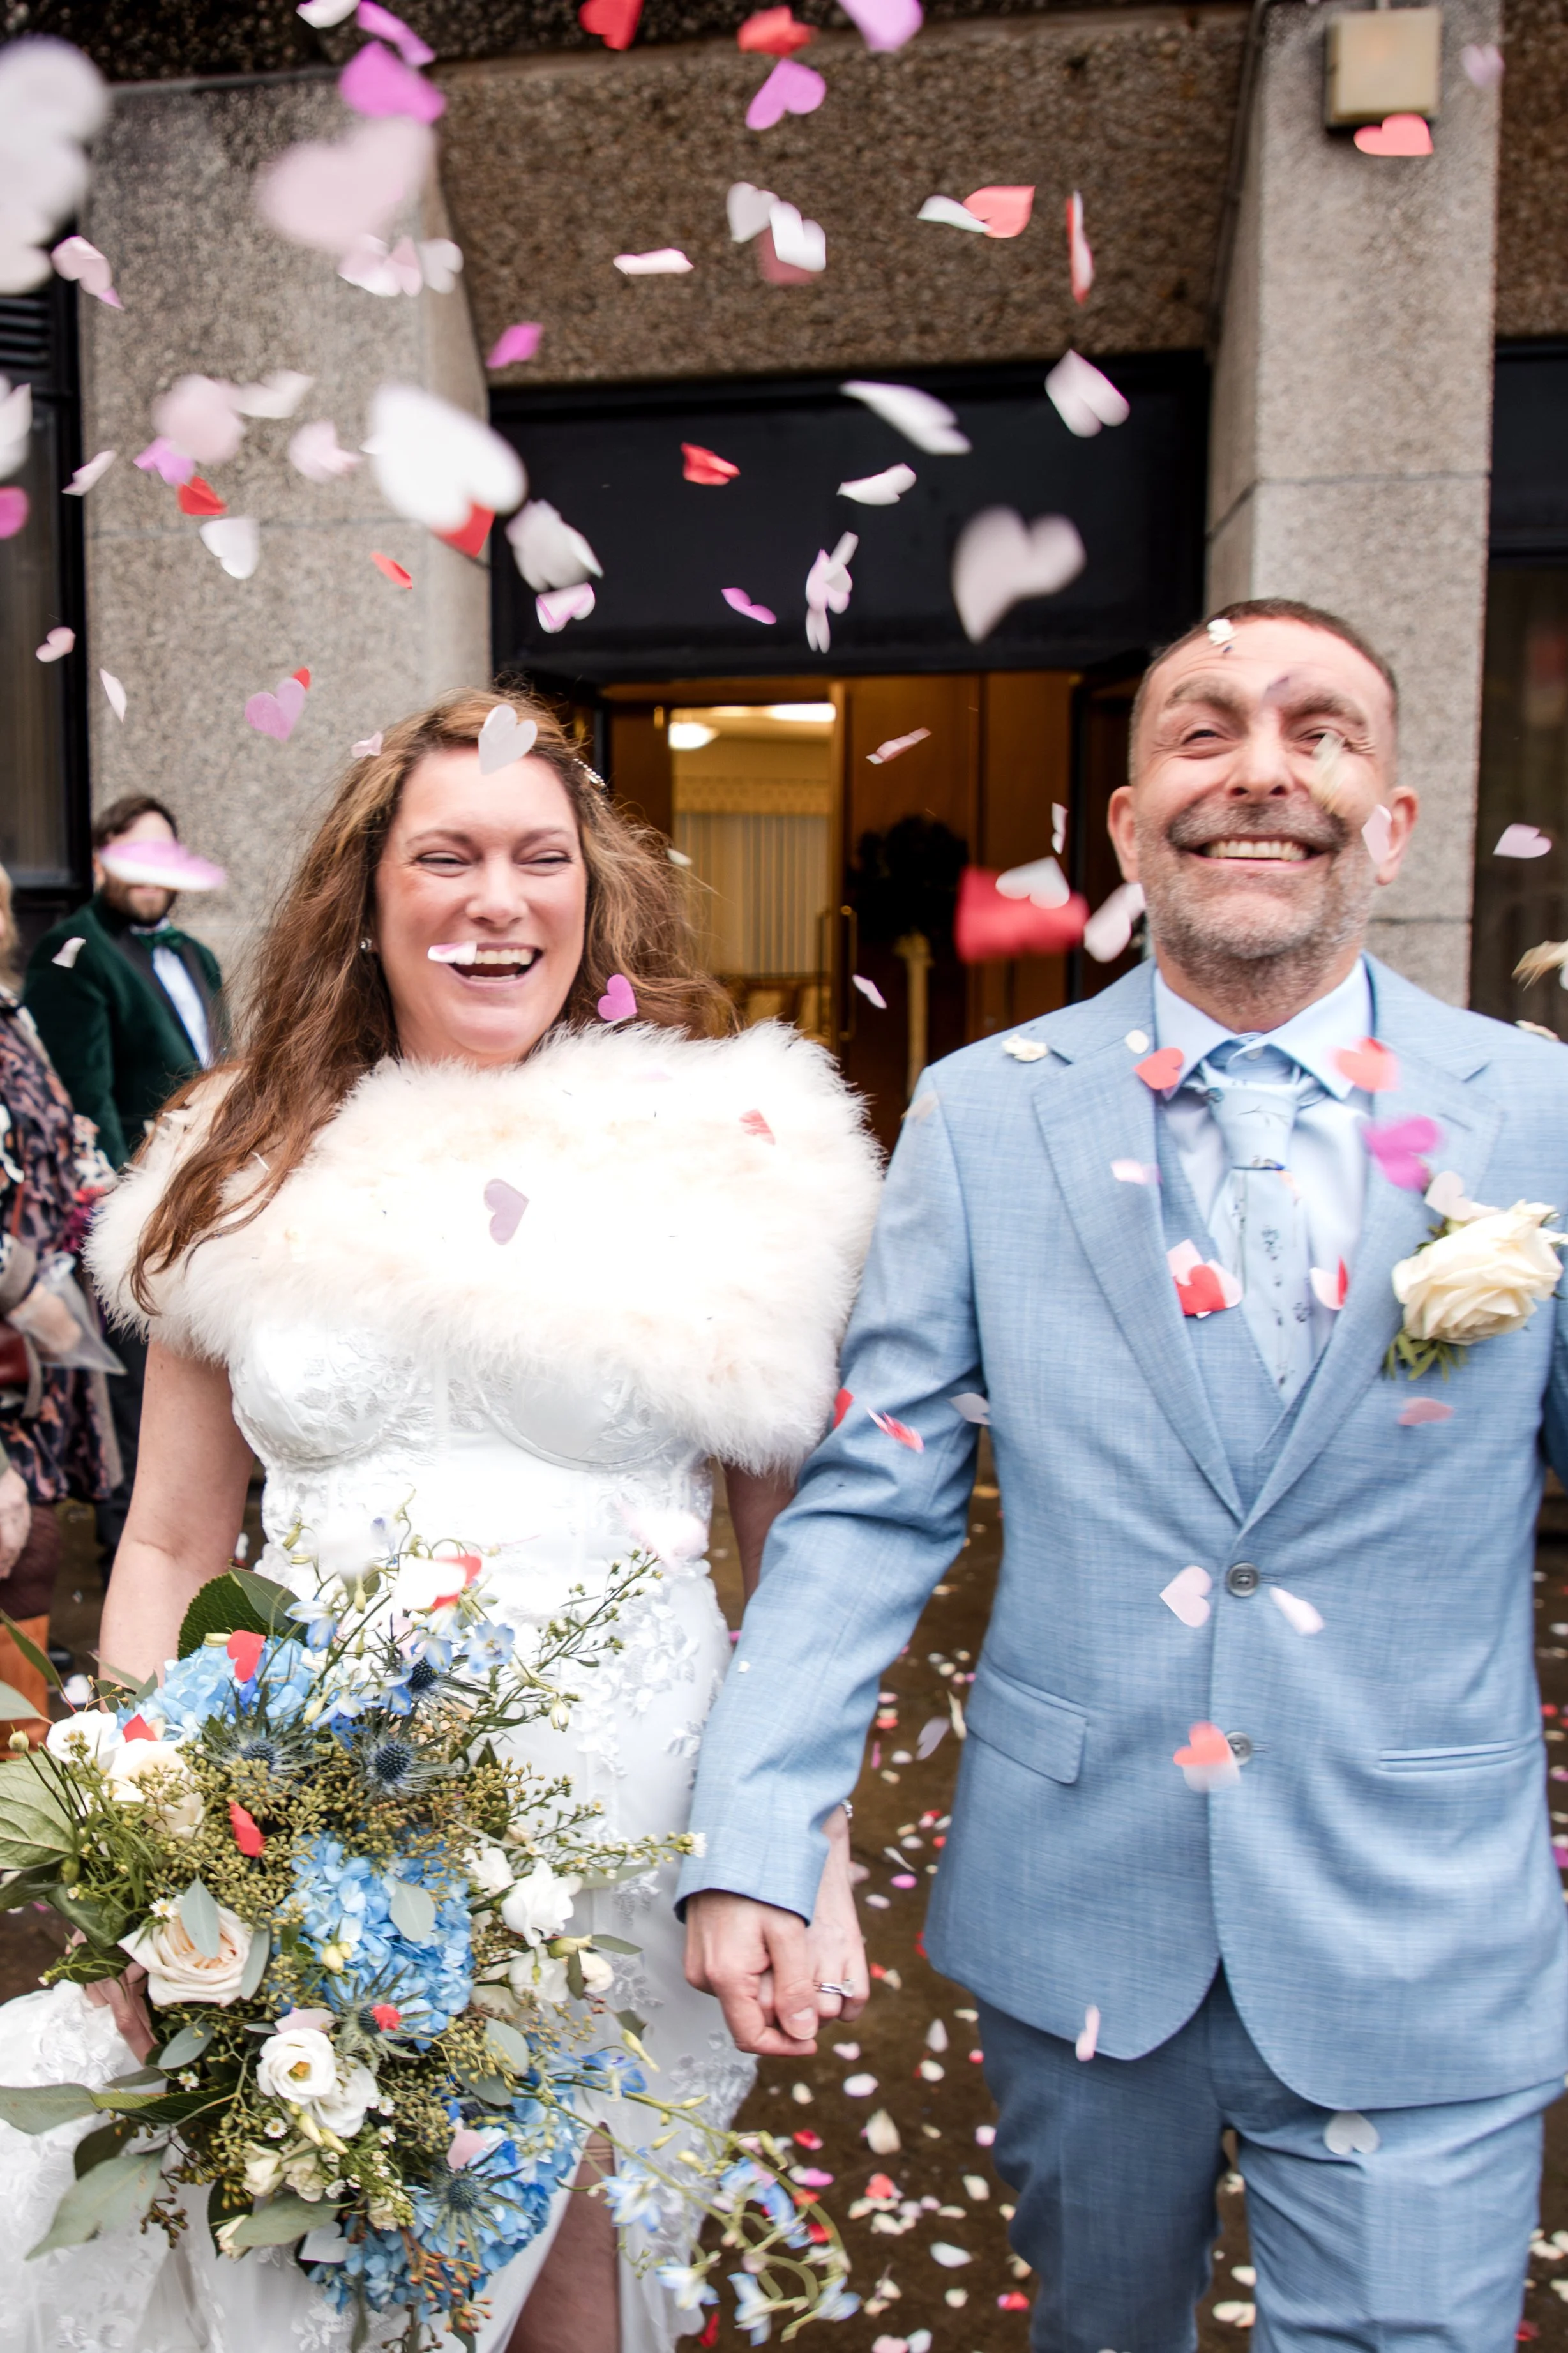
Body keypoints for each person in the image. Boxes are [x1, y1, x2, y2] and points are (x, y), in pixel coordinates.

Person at [682, 598, 1568, 2353]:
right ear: (1126, 820)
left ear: (1392, 815)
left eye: (1322, 731)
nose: (1264, 769)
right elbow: (874, 1494)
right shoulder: (980, 1110)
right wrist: (757, 1826)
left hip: (1423, 1923)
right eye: (1206, 727)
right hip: (1082, 1906)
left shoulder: (1533, 1109)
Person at [0, 689, 879, 2353]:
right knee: (318, 2285)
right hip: (314, 1848)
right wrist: (144, 1854)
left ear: (593, 891)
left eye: (541, 856)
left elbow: (806, 1561)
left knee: (578, 2303)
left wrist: (804, 1841)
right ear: (368, 892)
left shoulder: (732, 1156)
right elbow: (177, 1542)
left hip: (635, 1844)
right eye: (449, 854)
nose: (500, 897)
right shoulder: (239, 1158)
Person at [26, 792, 227, 1564]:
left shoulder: (197, 955)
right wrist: (126, 1215)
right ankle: (133, 1552)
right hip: (135, 1210)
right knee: (141, 1389)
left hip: (210, 1200)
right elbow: (87, 1097)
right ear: (104, 860)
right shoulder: (74, 952)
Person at [0, 863, 121, 1741]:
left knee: (30, 1549)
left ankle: (22, 1783)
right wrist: (17, 1286)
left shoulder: (15, 1017)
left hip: (39, 1345)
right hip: (17, 1332)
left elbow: (51, 1134)